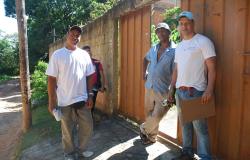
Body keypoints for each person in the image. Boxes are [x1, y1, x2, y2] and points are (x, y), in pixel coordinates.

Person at [169, 11, 216, 160]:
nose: (184, 26)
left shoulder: (203, 41)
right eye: (181, 24)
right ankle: (187, 152)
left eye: (187, 23)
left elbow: (212, 68)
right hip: (180, 93)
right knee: (185, 125)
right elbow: (176, 69)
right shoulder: (180, 46)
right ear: (178, 27)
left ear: (193, 24)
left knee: (200, 129)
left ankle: (204, 157)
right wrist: (172, 88)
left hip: (195, 92)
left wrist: (209, 89)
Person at [46, 25, 95, 160]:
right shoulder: (57, 55)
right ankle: (69, 153)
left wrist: (90, 94)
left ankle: (81, 150)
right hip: (64, 101)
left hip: (83, 99)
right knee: (67, 130)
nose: (75, 37)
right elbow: (51, 79)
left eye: (78, 35)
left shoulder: (84, 55)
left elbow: (90, 74)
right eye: (73, 34)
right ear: (67, 35)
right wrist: (51, 101)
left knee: (88, 127)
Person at [139, 22, 175, 145]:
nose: (160, 33)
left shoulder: (175, 50)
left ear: (169, 32)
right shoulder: (154, 48)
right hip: (149, 87)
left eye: (163, 30)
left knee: (157, 115)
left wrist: (172, 90)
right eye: (158, 31)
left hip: (164, 89)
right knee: (149, 113)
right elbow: (145, 59)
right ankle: (151, 137)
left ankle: (144, 128)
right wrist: (144, 72)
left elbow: (176, 71)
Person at [82, 45, 106, 119]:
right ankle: (83, 119)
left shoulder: (97, 62)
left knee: (91, 103)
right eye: (86, 51)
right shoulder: (79, 63)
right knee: (83, 104)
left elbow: (102, 75)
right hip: (82, 87)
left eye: (89, 50)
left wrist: (102, 86)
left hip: (94, 87)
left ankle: (90, 118)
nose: (88, 52)